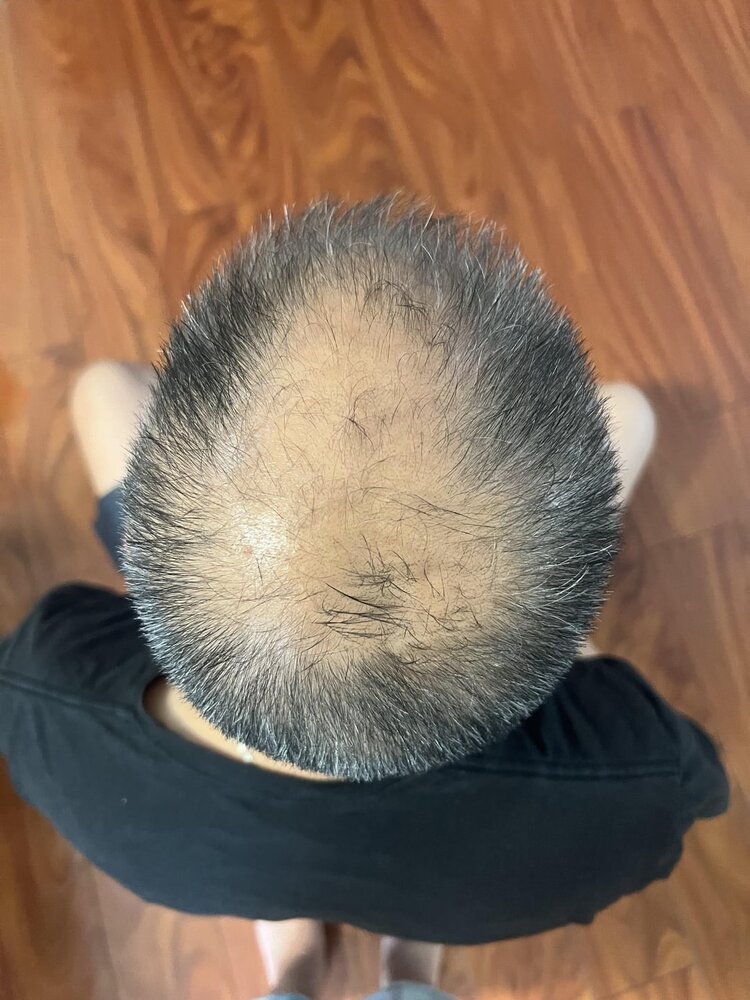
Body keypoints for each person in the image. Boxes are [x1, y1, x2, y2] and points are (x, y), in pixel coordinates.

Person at [0, 199, 727, 998]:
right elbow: (673, 757)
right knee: (631, 412)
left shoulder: (39, 699)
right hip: (462, 879)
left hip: (215, 858)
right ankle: (410, 964)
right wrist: (553, 631)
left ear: (154, 544)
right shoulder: (628, 786)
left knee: (103, 386)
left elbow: (103, 425)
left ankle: (294, 964)